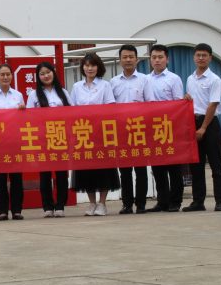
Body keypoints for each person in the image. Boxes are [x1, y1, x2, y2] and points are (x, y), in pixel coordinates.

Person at [70, 53, 119, 216]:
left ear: (98, 67)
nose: (89, 68)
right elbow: (72, 109)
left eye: (93, 65)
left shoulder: (105, 85)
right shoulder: (77, 86)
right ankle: (92, 203)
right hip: (83, 132)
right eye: (86, 65)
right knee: (86, 168)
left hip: (101, 133)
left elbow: (110, 106)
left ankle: (102, 203)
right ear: (82, 67)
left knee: (104, 168)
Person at [184, 43, 221, 212]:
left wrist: (203, 128)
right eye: (198, 55)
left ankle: (220, 200)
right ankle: (198, 202)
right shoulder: (190, 79)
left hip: (210, 124)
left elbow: (213, 105)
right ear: (194, 57)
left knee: (216, 165)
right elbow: (192, 102)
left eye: (204, 55)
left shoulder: (214, 79)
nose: (201, 58)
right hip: (193, 122)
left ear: (210, 58)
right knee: (196, 165)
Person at [26, 62, 71, 218]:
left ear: (53, 72)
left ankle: (60, 206)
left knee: (61, 174)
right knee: (45, 174)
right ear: (38, 77)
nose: (46, 76)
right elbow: (28, 116)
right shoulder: (34, 95)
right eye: (42, 74)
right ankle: (47, 207)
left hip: (61, 137)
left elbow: (72, 112)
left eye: (48, 72)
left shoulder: (63, 92)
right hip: (42, 138)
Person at [111, 45, 151, 214]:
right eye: (124, 57)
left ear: (136, 59)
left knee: (141, 169)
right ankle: (127, 204)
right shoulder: (113, 82)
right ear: (120, 60)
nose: (128, 60)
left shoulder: (144, 80)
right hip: (121, 131)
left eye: (131, 57)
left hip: (139, 129)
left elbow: (150, 104)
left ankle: (141, 204)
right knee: (125, 170)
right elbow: (110, 108)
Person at [145, 44, 185, 213]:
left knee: (174, 168)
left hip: (170, 127)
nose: (157, 60)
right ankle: (162, 202)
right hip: (152, 129)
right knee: (158, 168)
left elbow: (179, 104)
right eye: (154, 57)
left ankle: (175, 202)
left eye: (160, 57)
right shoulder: (146, 79)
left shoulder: (174, 79)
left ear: (167, 59)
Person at [0, 63, 26, 221]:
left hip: (15, 141)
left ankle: (17, 210)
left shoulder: (18, 95)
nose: (5, 77)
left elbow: (23, 119)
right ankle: (2, 211)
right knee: (0, 178)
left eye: (8, 74)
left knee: (16, 177)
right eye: (2, 74)